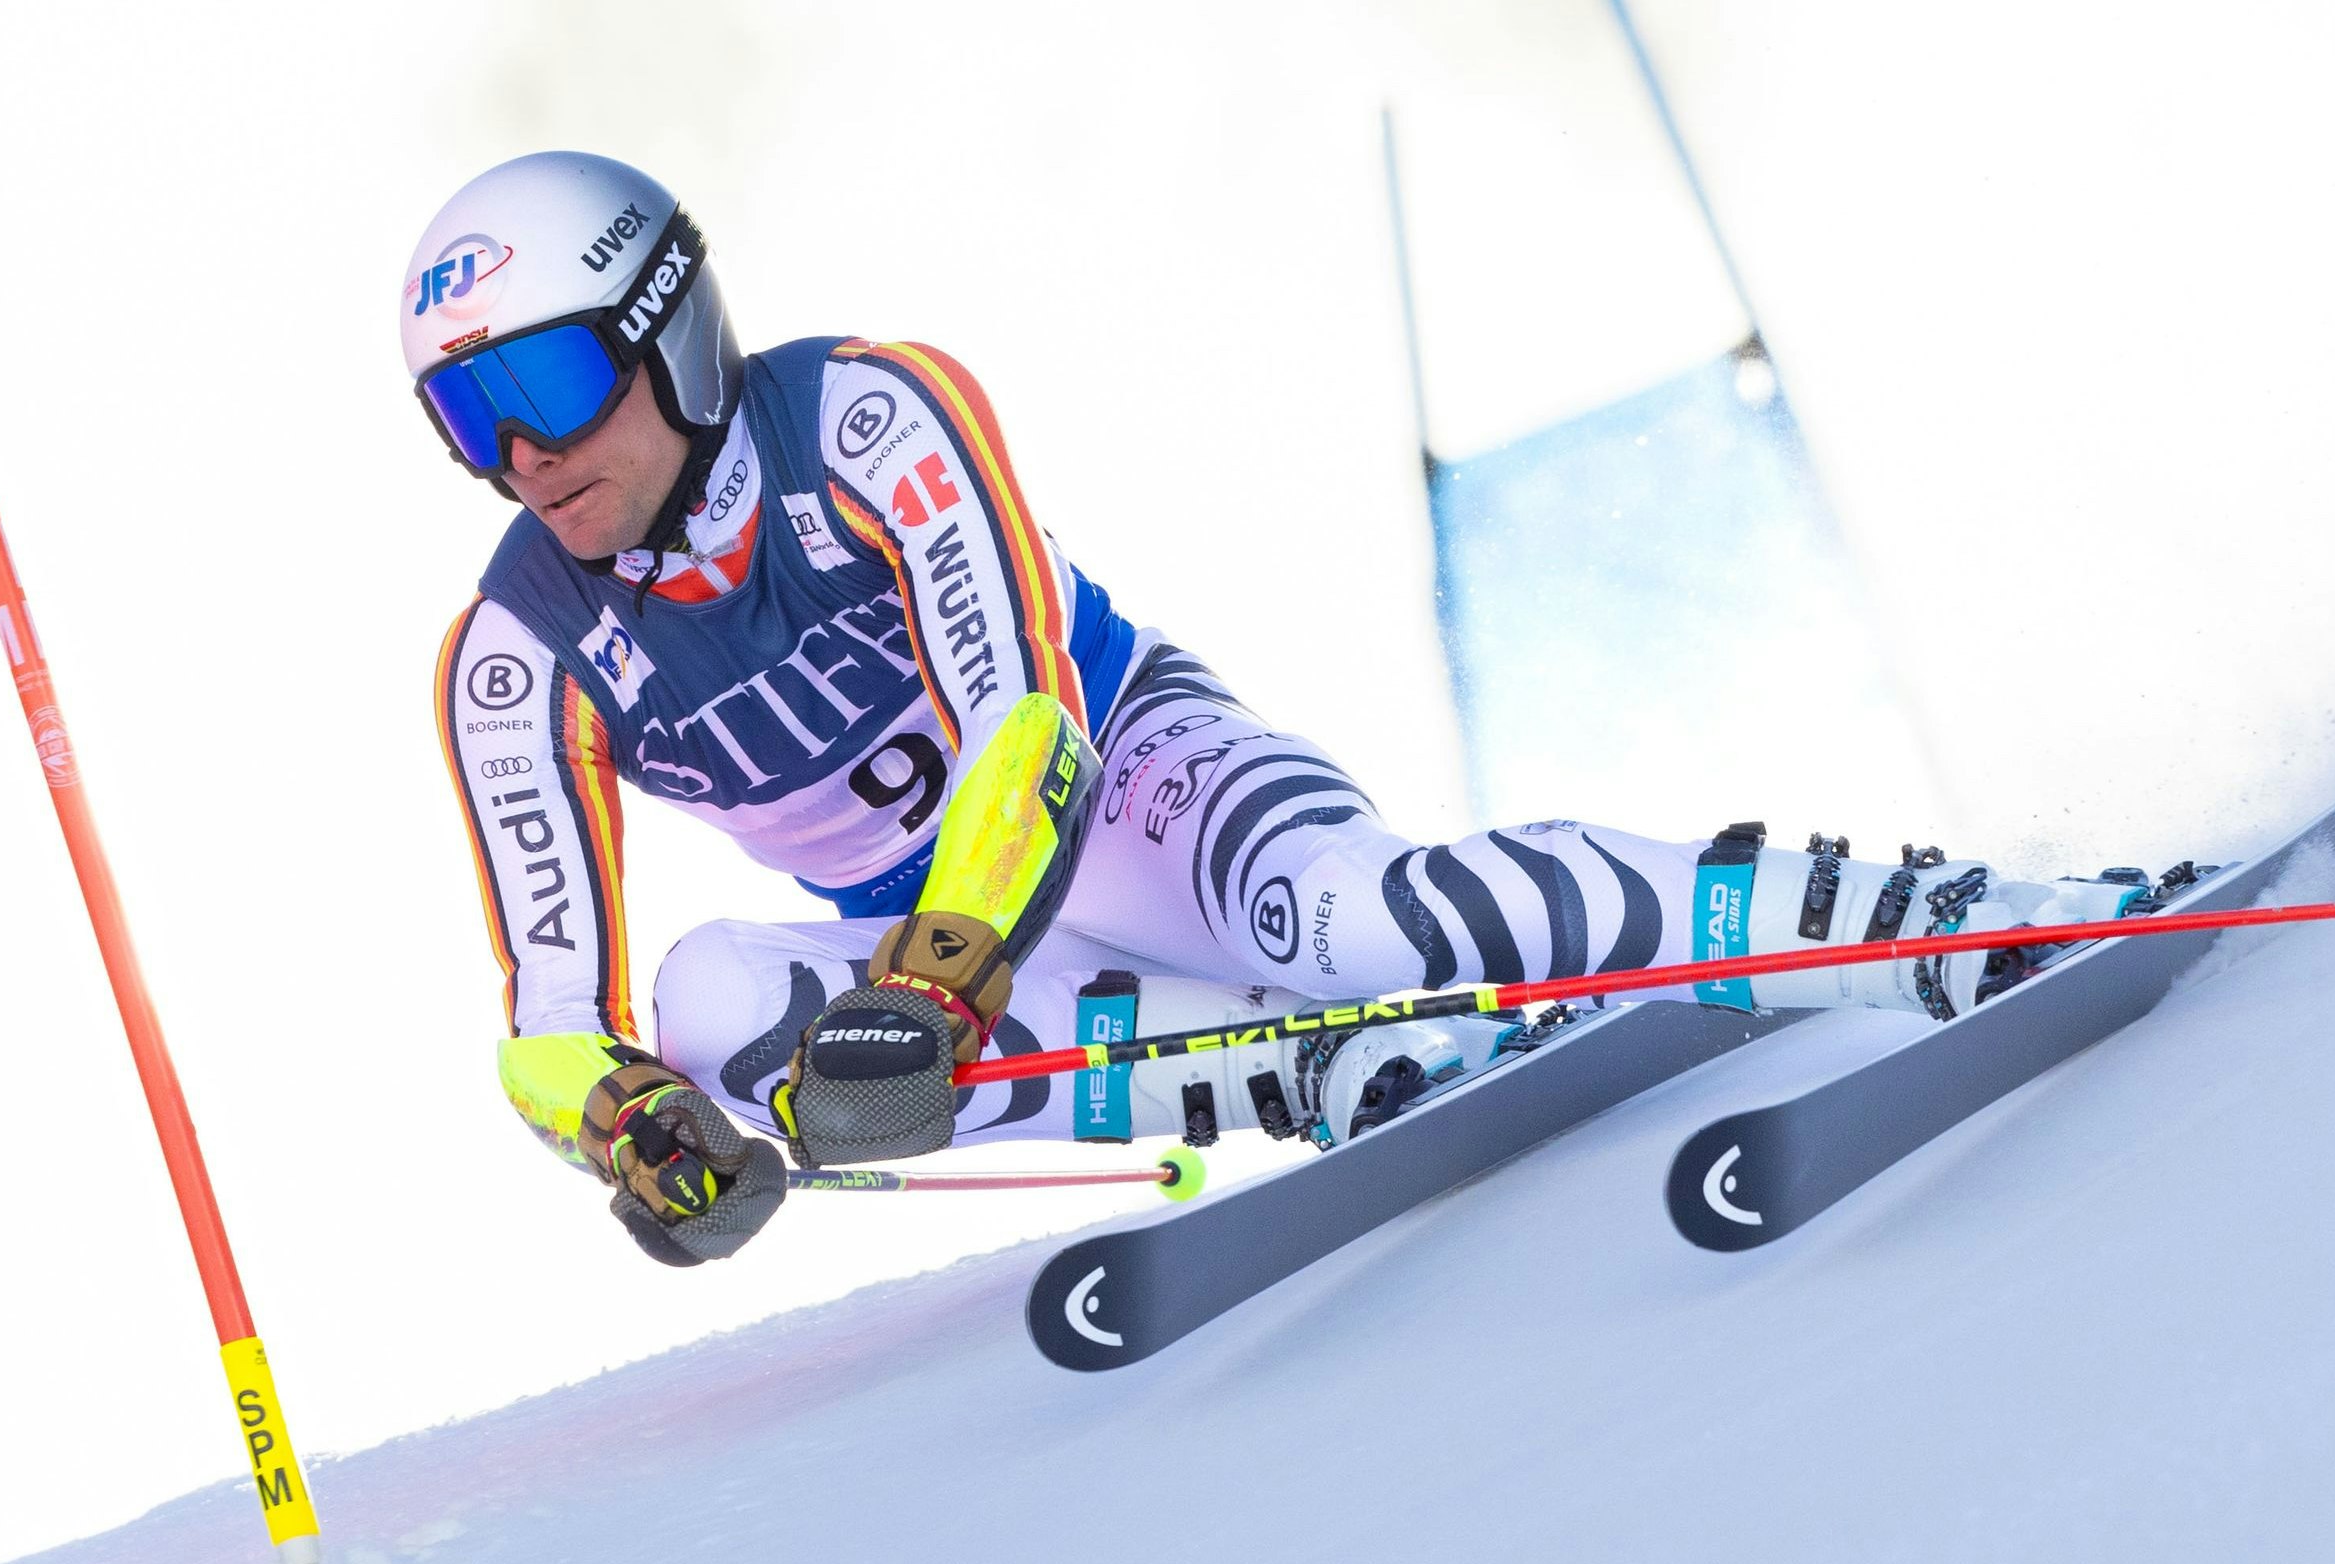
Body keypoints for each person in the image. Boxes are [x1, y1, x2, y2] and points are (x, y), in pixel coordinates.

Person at [410, 152, 2147, 1266]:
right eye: (468, 419)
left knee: (1348, 916)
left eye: (547, 384)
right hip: (909, 927)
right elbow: (547, 1023)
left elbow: (1026, 725)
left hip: (1119, 780)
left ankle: (1937, 920)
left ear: (673, 335)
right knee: (712, 1006)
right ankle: (1303, 1076)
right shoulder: (516, 654)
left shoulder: (866, 420)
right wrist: (642, 1133)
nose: (526, 456)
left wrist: (936, 980)